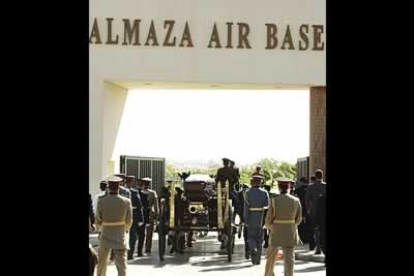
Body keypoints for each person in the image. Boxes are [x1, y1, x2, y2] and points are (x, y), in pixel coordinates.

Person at [264, 177, 302, 276]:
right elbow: (298, 219)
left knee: (271, 257)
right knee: (289, 259)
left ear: (279, 187)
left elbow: (268, 220)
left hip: (276, 230)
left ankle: (269, 274)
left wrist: (269, 227)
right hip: (290, 231)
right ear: (289, 187)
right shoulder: (296, 200)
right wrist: (292, 226)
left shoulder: (274, 200)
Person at [95, 176, 132, 276]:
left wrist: (99, 229)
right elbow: (128, 221)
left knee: (102, 263)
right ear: (119, 186)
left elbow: (98, 219)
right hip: (120, 234)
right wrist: (124, 230)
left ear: (108, 187)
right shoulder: (126, 201)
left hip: (106, 233)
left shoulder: (101, 200)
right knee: (122, 265)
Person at [243, 175, 269, 265]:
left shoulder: (247, 192)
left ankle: (253, 249)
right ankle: (258, 260)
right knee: (260, 239)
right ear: (260, 182)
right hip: (261, 218)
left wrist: (245, 219)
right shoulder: (265, 193)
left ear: (253, 182)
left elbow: (246, 208)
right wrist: (266, 220)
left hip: (251, 218)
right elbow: (267, 206)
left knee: (251, 237)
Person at [305, 170, 326, 255]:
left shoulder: (311, 187)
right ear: (322, 176)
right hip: (324, 211)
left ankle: (318, 247)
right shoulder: (325, 186)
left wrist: (308, 209)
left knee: (316, 229)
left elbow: (307, 199)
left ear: (315, 176)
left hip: (314, 211)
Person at [125, 175, 144, 260]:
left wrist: (141, 218)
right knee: (131, 236)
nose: (129, 184)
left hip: (131, 217)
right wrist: (141, 218)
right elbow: (140, 207)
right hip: (130, 216)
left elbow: (139, 206)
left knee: (132, 236)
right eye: (128, 182)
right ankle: (129, 254)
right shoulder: (133, 192)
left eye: (130, 182)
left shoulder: (133, 192)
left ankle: (130, 253)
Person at [141, 177, 159, 254]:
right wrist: (156, 214)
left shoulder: (139, 192)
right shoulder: (152, 193)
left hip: (142, 213)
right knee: (149, 233)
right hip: (150, 214)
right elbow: (156, 205)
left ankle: (140, 248)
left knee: (142, 232)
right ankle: (147, 248)